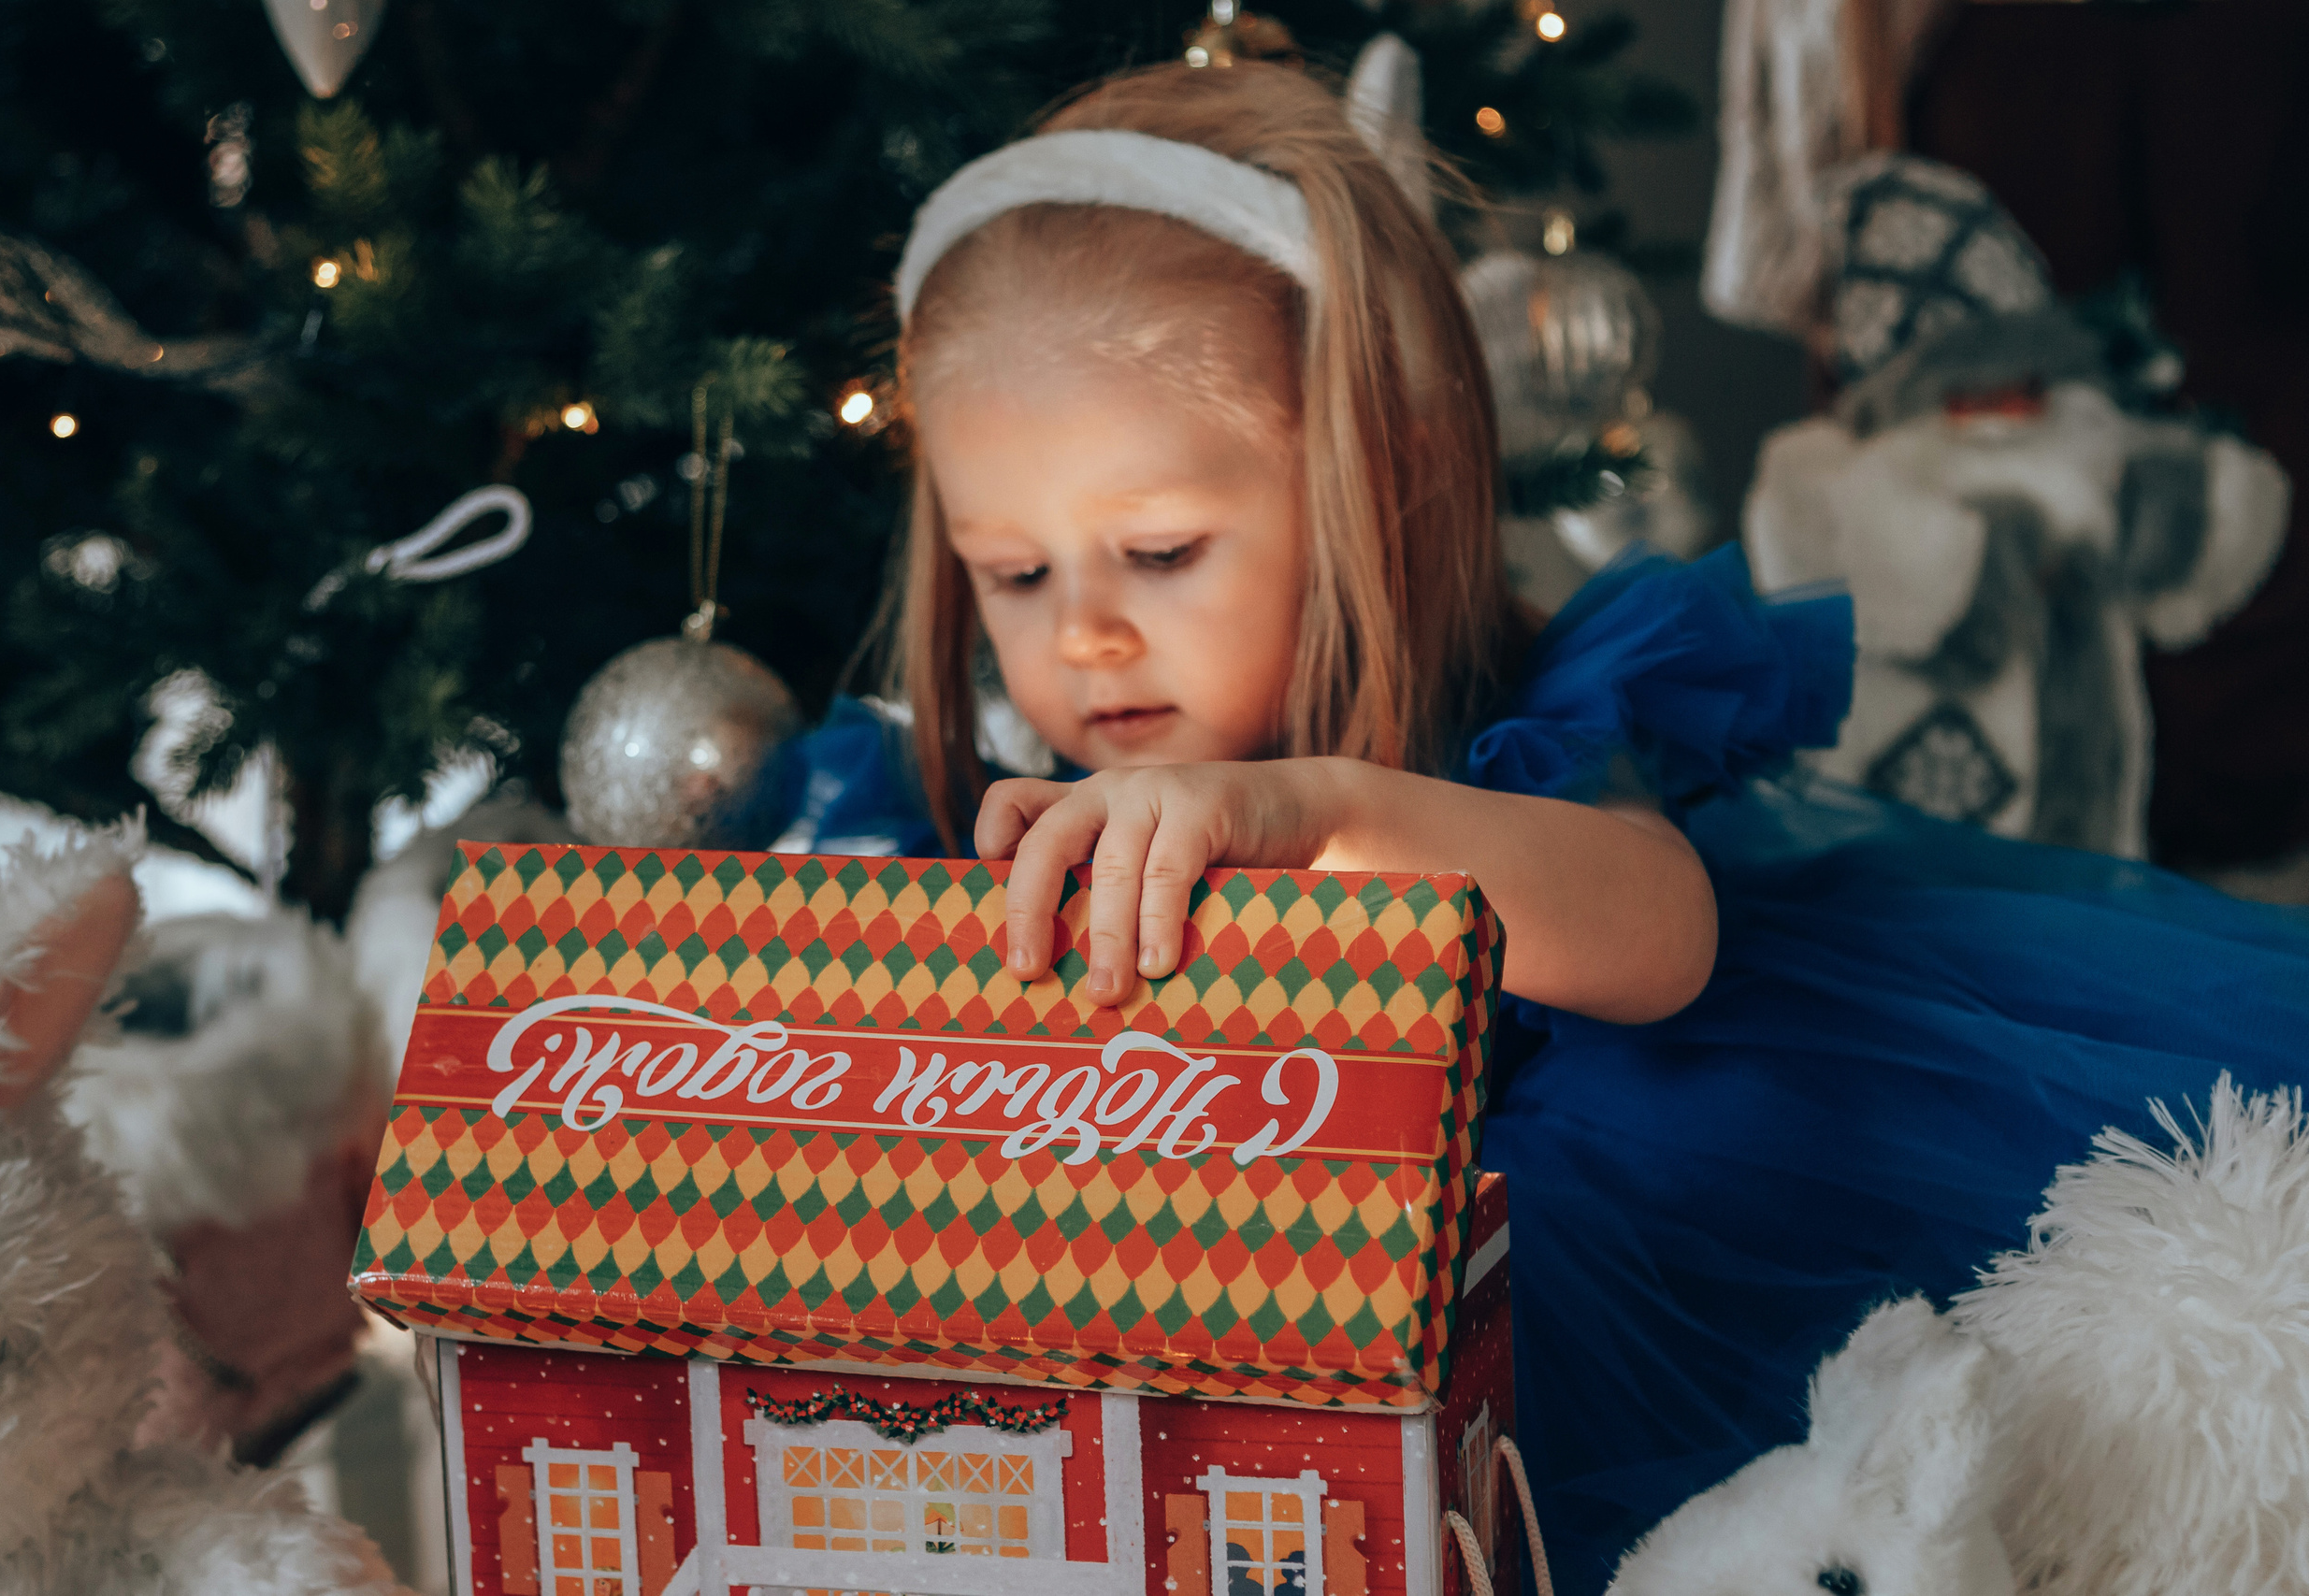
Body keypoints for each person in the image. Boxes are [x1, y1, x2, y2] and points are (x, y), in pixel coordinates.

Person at [767, 58, 2309, 1593]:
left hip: (1549, 1209)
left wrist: (1325, 807)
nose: (1086, 635)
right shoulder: (949, 805)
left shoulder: (1513, 717)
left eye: (1160, 552)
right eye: (1015, 575)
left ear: (1378, 476)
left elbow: (1660, 938)